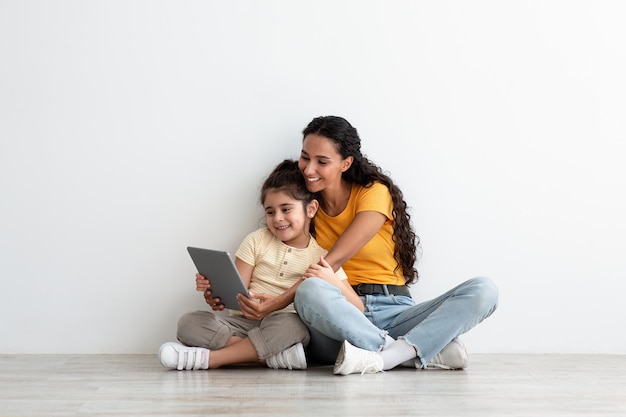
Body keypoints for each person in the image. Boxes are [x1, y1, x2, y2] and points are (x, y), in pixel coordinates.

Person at [289, 115, 500, 375]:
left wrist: (274, 303)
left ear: (346, 163)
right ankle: (407, 352)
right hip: (339, 313)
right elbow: (279, 255)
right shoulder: (302, 204)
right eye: (305, 157)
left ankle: (383, 356)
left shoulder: (373, 192)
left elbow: (332, 262)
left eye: (322, 161)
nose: (309, 169)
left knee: (484, 290)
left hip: (394, 310)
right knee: (310, 291)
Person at [158, 159, 361, 371]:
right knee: (188, 322)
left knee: (293, 326)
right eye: (270, 211)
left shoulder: (323, 257)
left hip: (282, 327)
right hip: (243, 324)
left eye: (286, 209)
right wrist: (214, 295)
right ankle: (268, 357)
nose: (278, 218)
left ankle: (211, 359)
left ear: (311, 209)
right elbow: (236, 294)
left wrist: (332, 280)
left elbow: (358, 308)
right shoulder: (257, 240)